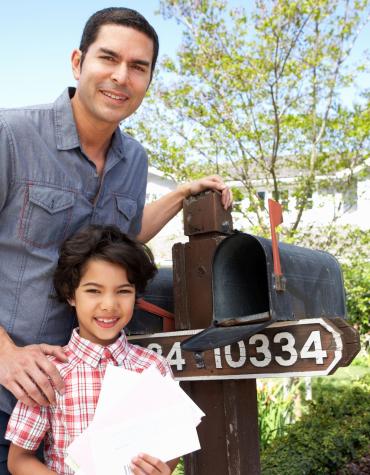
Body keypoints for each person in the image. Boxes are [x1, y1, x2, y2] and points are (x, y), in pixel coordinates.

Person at [0, 7, 231, 472]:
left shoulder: (135, 162)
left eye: (138, 66)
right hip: (9, 391)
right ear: (77, 61)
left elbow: (121, 238)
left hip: (80, 413)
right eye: (109, 58)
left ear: (148, 80)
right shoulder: (11, 135)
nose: (121, 76)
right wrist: (4, 354)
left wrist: (182, 195)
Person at [6, 225, 179, 475]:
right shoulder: (50, 372)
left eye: (123, 291)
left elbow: (172, 443)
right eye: (93, 291)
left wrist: (160, 468)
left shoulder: (153, 367)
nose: (109, 305)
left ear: (136, 295)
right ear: (71, 295)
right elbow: (19, 459)